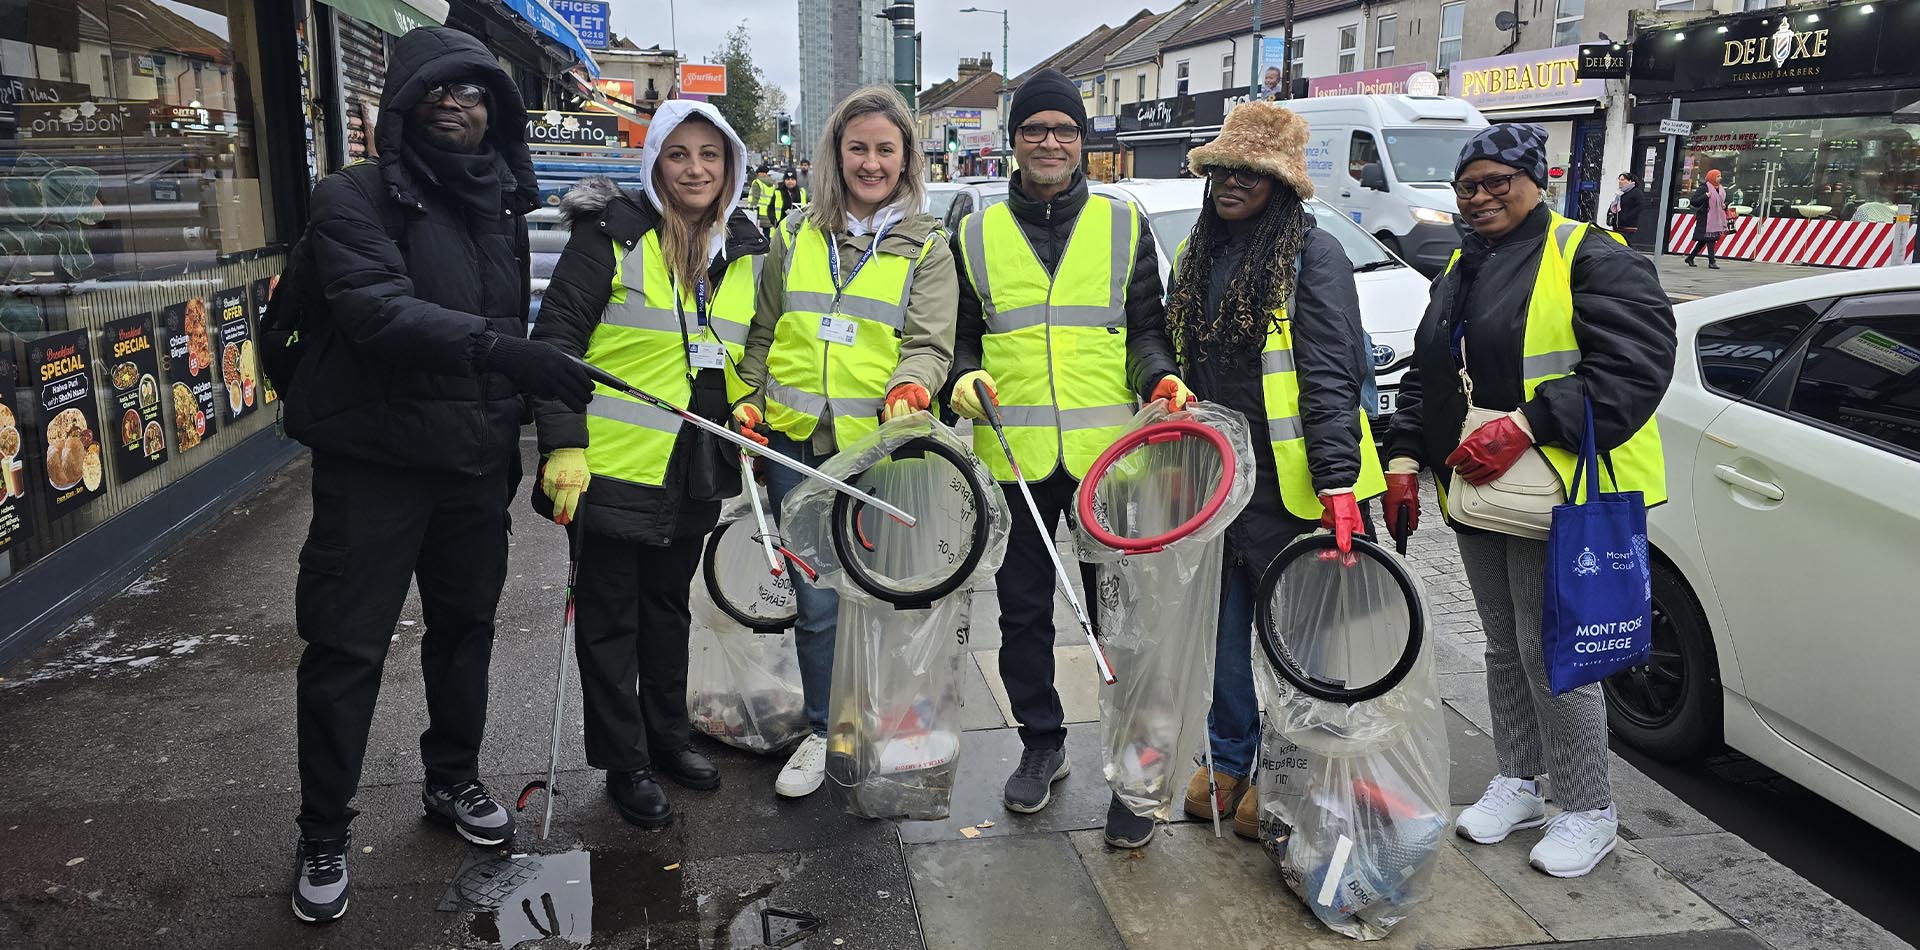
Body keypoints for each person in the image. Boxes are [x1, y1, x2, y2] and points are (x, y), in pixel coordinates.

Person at [284, 26, 594, 924]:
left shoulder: (497, 201)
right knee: (346, 650)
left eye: (475, 91)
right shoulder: (349, 196)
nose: (457, 103)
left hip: (469, 466)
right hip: (374, 470)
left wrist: (542, 424)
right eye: (437, 90)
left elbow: (518, 335)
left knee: (466, 633)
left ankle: (451, 778)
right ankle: (323, 829)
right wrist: (505, 354)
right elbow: (377, 313)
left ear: (497, 110)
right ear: (402, 107)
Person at [1382, 123, 1674, 879]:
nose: (1479, 198)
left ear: (1532, 179)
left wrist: (1529, 424)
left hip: (1563, 489)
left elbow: (1637, 368)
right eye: (1467, 186)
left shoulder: (1590, 255)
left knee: (1557, 654)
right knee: (1503, 644)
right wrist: (1406, 455)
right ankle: (1520, 778)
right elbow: (1430, 372)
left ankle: (1589, 809)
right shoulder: (1462, 263)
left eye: (1495, 183)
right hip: (1478, 487)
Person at [945, 67, 1182, 850]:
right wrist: (962, 376)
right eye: (1035, 129)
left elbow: (1149, 326)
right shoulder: (973, 231)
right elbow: (961, 335)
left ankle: (1132, 774)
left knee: (1122, 621)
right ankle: (1041, 745)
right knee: (1021, 613)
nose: (1050, 142)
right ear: (1013, 141)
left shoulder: (1123, 224)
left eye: (1065, 130)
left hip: (1108, 457)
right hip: (1015, 458)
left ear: (1084, 141)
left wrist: (1158, 374)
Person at [527, 100, 766, 830]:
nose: (695, 169)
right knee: (608, 622)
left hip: (692, 467)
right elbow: (555, 343)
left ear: (730, 166)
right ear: (654, 162)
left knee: (666, 610)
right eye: (679, 155)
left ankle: (668, 738)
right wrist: (562, 443)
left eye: (710, 155)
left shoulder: (745, 246)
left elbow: (745, 344)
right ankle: (624, 762)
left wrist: (746, 404)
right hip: (610, 465)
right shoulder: (610, 236)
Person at [1166, 102, 1386, 841]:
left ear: (1282, 183)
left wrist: (1337, 484)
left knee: (1300, 645)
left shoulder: (1312, 256)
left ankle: (1294, 770)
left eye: (1250, 172)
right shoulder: (1202, 252)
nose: (1230, 181)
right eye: (1222, 168)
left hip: (1297, 492)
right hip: (1220, 481)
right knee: (1225, 636)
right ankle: (1229, 763)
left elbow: (1330, 373)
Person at [734, 86, 958, 799]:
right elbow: (764, 331)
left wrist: (913, 386)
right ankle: (822, 729)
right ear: (836, 154)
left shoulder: (927, 244)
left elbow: (929, 344)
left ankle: (887, 721)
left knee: (888, 597)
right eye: (857, 147)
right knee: (817, 599)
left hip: (880, 452)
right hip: (793, 446)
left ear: (905, 158)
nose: (870, 162)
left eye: (884, 149)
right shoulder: (794, 233)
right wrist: (746, 394)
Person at [1685, 168, 1728, 269]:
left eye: (1720, 176)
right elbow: (1694, 201)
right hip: (1705, 218)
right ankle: (1712, 262)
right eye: (1717, 176)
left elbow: (1722, 201)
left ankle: (1690, 258)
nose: (1720, 178)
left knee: (1704, 240)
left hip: (1716, 218)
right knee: (1711, 239)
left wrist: (1724, 206)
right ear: (1712, 177)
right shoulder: (1704, 188)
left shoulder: (1720, 188)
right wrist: (1705, 196)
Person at [1606, 172, 1644, 238]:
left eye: (1623, 180)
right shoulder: (1619, 193)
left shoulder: (1636, 192)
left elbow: (1640, 206)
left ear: (1630, 181)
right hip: (1617, 227)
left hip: (1629, 227)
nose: (1620, 182)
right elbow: (1613, 205)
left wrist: (1627, 217)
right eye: (1619, 179)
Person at [749, 163, 778, 228]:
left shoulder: (757, 182)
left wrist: (751, 210)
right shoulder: (773, 183)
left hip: (759, 213)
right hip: (770, 213)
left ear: (760, 173)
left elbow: (755, 198)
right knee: (767, 233)